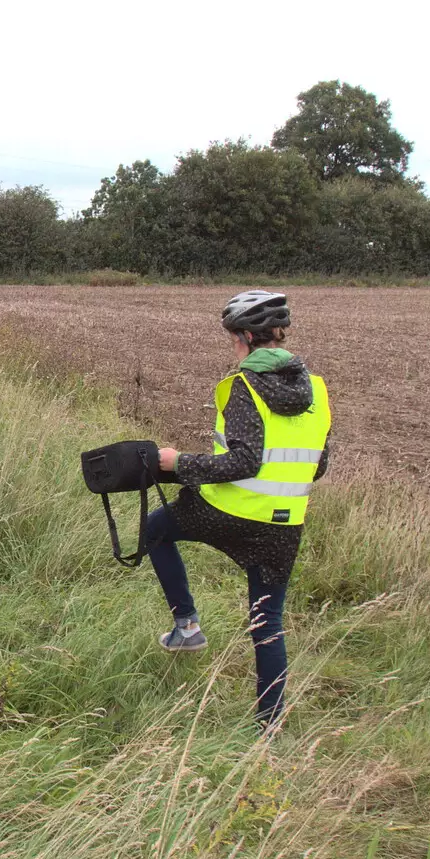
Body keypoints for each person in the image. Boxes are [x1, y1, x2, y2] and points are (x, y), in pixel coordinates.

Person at [146, 290, 332, 729]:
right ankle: (268, 729)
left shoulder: (243, 387)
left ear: (248, 337)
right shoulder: (317, 391)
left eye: (233, 339)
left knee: (155, 529)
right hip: (283, 527)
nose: (233, 347)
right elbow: (319, 464)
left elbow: (242, 462)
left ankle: (187, 627)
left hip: (224, 514)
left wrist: (180, 464)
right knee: (267, 621)